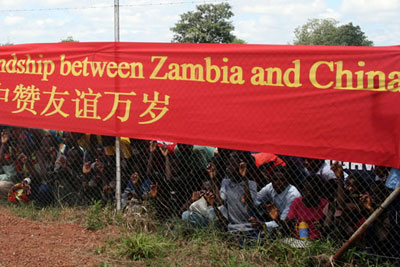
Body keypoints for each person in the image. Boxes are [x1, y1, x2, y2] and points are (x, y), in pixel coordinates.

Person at [265, 175, 329, 240]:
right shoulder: (298, 202)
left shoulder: (324, 204)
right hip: (299, 238)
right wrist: (277, 218)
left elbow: (327, 226)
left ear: (316, 192)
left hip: (317, 240)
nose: (304, 192)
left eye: (308, 190)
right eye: (304, 189)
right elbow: (286, 225)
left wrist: (321, 226)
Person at [209, 151, 258, 234]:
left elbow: (249, 201)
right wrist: (213, 179)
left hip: (248, 227)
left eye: (231, 164)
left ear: (241, 166)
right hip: (233, 227)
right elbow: (220, 201)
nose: (227, 168)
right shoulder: (226, 182)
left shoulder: (251, 184)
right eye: (228, 164)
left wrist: (244, 178)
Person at [250, 167, 301, 233]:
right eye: (275, 179)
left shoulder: (293, 195)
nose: (278, 182)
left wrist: (262, 225)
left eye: (282, 180)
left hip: (291, 226)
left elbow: (284, 223)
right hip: (275, 219)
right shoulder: (270, 186)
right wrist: (263, 206)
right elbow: (254, 200)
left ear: (287, 181)